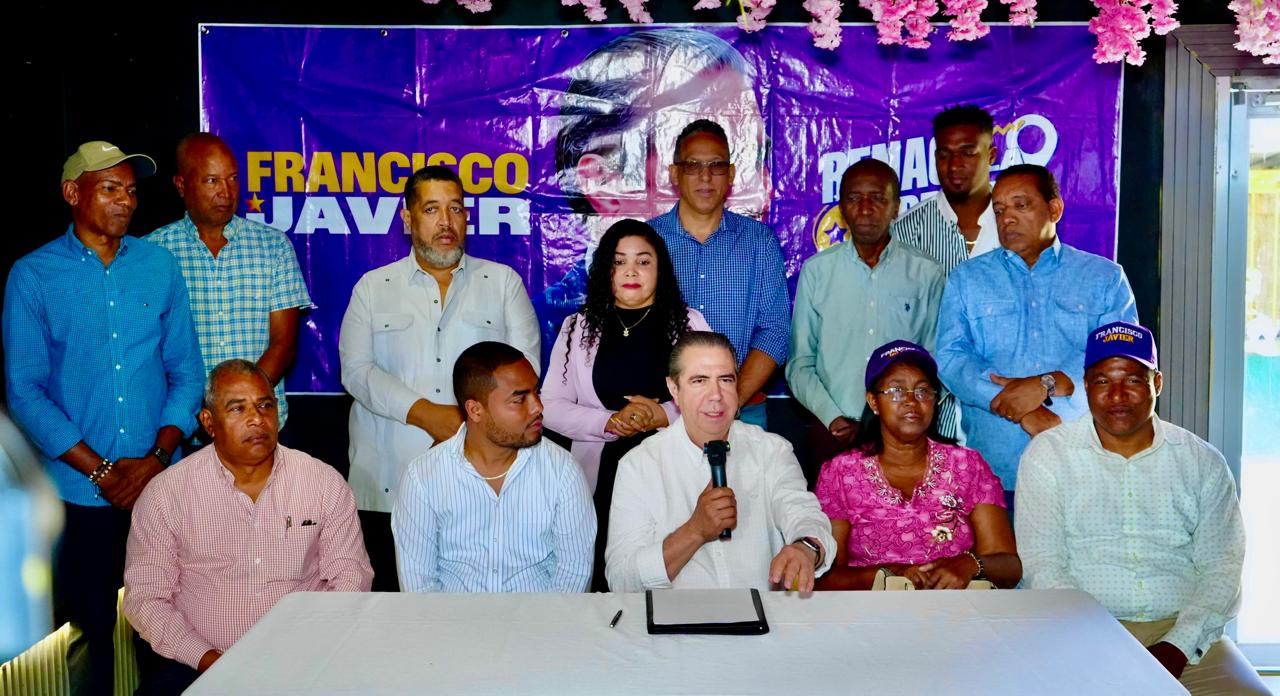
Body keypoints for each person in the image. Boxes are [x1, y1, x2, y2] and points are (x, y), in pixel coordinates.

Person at [2, 141, 205, 695]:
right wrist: (100, 471)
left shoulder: (158, 266)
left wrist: (155, 459)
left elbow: (187, 373)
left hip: (159, 488)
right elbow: (24, 391)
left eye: (132, 191)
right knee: (86, 635)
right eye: (111, 188)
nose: (126, 201)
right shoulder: (34, 275)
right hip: (77, 493)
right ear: (73, 193)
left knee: (168, 635)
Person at [1017, 322, 1265, 696]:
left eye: (1133, 380)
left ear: (1157, 383)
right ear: (1086, 386)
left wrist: (1177, 646)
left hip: (1183, 634)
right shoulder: (1049, 455)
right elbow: (1043, 564)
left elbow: (1222, 567)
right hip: (1078, 630)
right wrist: (1100, 639)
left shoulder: (1201, 461)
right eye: (1103, 381)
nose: (1117, 395)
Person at [339, 165, 540, 591]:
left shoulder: (502, 283)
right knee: (390, 615)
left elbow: (525, 372)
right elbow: (356, 371)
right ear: (408, 219)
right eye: (431, 210)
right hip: (387, 484)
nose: (446, 222)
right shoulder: (372, 288)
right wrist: (428, 414)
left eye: (455, 209)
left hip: (483, 486)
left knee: (478, 614)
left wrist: (466, 425)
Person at [123, 360, 372, 695]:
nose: (256, 419)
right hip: (198, 664)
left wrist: (308, 651)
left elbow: (351, 578)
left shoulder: (322, 483)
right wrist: (209, 659)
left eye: (265, 405)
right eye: (237, 408)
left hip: (306, 660)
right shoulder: (166, 494)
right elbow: (146, 598)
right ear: (208, 422)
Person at [536, 28, 769, 364]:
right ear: (602, 180)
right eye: (690, 160)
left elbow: (774, 331)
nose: (761, 196)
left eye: (749, 157)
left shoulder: (755, 242)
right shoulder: (552, 329)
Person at [935, 164, 1138, 500]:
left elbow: (1121, 359)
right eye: (999, 210)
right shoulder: (967, 279)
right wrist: (1022, 407)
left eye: (1021, 205)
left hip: (1084, 466)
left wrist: (1048, 383)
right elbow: (951, 359)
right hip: (995, 472)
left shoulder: (1104, 278)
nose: (1007, 219)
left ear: (1054, 209)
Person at [542, 219, 709, 591]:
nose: (631, 271)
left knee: (674, 578)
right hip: (600, 476)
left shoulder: (689, 324)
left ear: (660, 269)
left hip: (673, 473)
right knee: (608, 582)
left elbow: (713, 401)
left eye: (643, 261)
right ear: (606, 270)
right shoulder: (578, 327)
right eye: (619, 262)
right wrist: (610, 421)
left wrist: (662, 414)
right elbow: (549, 405)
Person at [605, 331, 834, 592]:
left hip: (761, 615)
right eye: (699, 381)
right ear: (674, 389)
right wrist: (695, 531)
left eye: (725, 380)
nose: (715, 395)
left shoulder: (771, 451)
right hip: (676, 618)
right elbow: (621, 580)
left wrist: (805, 548)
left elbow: (805, 515)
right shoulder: (639, 465)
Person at [812, 341, 1020, 590]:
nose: (911, 400)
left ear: (934, 401)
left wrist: (970, 564)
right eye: (896, 391)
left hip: (955, 607)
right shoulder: (840, 473)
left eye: (923, 391)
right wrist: (884, 575)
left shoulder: (967, 466)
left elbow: (1009, 566)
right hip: (871, 609)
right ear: (873, 402)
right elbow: (825, 576)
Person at [393, 342, 595, 593]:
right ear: (475, 410)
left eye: (536, 392)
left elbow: (573, 579)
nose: (538, 407)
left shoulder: (563, 472)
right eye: (519, 399)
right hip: (451, 618)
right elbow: (419, 588)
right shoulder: (423, 478)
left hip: (542, 617)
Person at [147, 133, 312, 434]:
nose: (226, 192)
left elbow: (284, 344)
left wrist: (238, 408)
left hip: (257, 427)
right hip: (181, 428)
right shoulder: (153, 253)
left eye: (233, 179)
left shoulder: (273, 246)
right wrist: (199, 411)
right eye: (212, 181)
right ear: (181, 185)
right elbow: (149, 350)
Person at [788, 159, 946, 464]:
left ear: (896, 207)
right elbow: (800, 364)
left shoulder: (926, 273)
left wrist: (900, 417)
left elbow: (935, 360)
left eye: (877, 198)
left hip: (904, 434)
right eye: (853, 198)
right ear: (841, 209)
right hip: (832, 432)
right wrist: (833, 418)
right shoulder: (817, 271)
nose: (864, 208)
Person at [649, 120, 791, 429]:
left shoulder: (759, 243)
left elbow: (776, 331)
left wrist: (730, 401)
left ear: (731, 174)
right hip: (660, 412)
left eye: (716, 165)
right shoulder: (647, 242)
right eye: (693, 166)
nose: (705, 176)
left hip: (743, 411)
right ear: (674, 174)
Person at [893, 104, 1002, 270]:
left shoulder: (1018, 222)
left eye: (968, 153)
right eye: (944, 155)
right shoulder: (905, 231)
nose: (954, 165)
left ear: (991, 156)